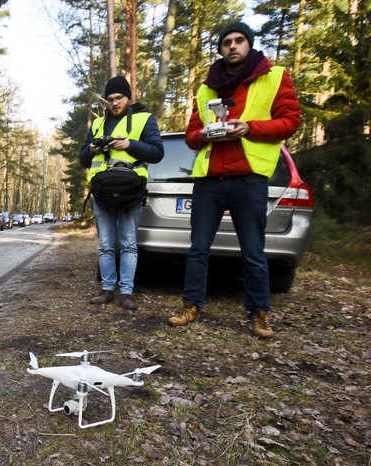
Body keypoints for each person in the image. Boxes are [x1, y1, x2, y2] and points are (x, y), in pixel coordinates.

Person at [167, 21, 301, 339]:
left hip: (249, 178)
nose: (233, 46)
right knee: (198, 248)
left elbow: (291, 120)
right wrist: (203, 135)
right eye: (227, 42)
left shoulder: (274, 76)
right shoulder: (206, 88)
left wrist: (250, 128)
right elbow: (190, 136)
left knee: (253, 250)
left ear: (249, 45)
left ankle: (259, 313)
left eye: (239, 40)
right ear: (221, 48)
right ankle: (191, 306)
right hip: (209, 180)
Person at [79, 75, 164, 310]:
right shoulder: (97, 124)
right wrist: (93, 148)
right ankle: (107, 289)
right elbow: (83, 158)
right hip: (102, 192)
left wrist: (130, 144)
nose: (115, 103)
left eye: (119, 98)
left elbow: (157, 152)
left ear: (128, 98)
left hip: (131, 191)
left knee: (128, 243)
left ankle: (126, 292)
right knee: (106, 244)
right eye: (110, 99)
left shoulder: (144, 119)